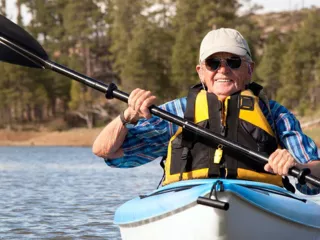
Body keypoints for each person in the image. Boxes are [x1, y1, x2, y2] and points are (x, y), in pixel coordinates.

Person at [92, 28, 320, 195]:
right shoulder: (178, 112)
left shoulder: (275, 115)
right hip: (186, 198)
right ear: (201, 72)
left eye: (233, 62)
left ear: (249, 70)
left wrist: (296, 166)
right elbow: (106, 151)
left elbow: (315, 175)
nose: (223, 69)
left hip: (260, 200)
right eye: (213, 63)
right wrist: (126, 117)